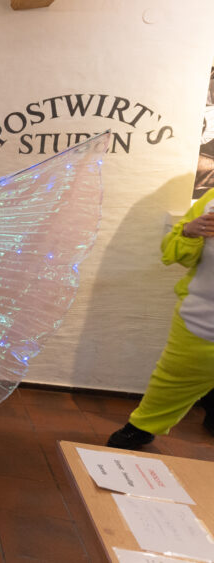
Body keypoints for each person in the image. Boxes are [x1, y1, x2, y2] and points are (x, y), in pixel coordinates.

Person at [107, 189, 214, 449]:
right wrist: (188, 231)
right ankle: (141, 428)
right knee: (174, 376)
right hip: (202, 316)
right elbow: (175, 250)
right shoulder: (211, 198)